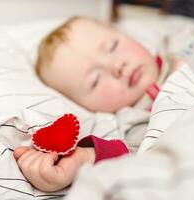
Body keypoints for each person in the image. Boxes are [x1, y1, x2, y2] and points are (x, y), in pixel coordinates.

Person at [13, 16, 175, 192]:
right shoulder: (136, 123)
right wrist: (86, 157)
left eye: (112, 47)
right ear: (87, 108)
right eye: (95, 80)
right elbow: (143, 156)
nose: (116, 66)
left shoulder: (182, 45)